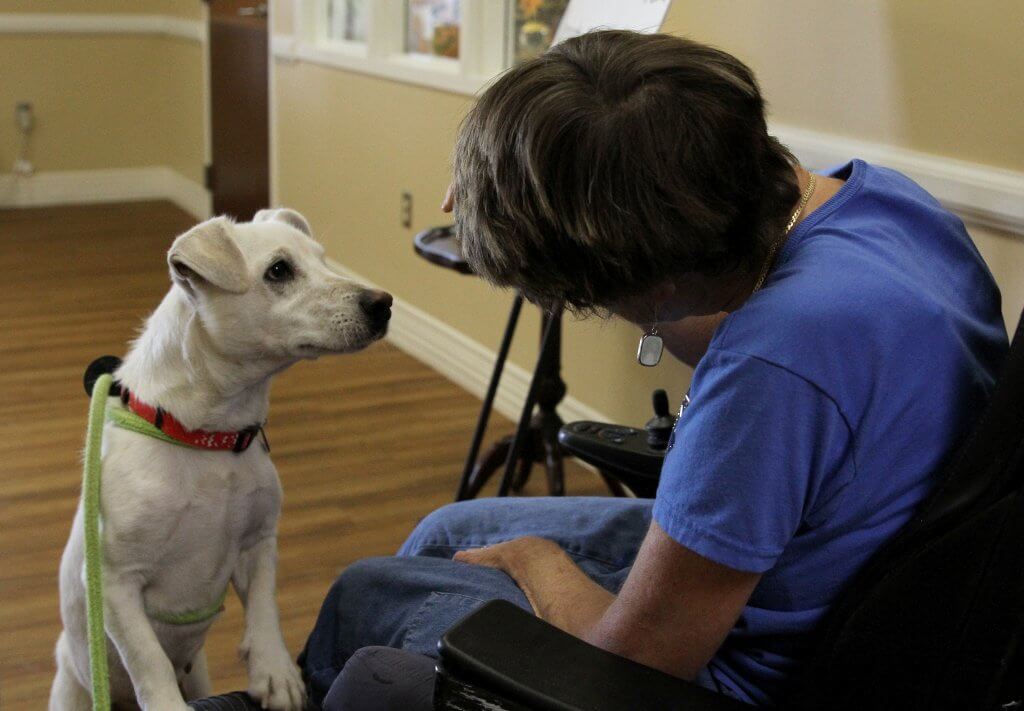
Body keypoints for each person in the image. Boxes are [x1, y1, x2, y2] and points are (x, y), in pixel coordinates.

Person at [298, 30, 1008, 708]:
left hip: (712, 677)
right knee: (448, 530)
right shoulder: (883, 204)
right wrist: (512, 171)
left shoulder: (773, 366)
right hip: (816, 560)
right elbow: (747, 338)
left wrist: (536, 560)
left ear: (661, 289)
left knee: (367, 592)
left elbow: (634, 657)